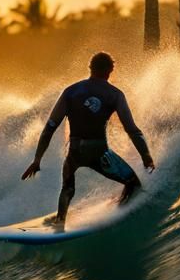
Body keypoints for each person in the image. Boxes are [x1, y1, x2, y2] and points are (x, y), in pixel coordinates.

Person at [22, 51, 155, 228]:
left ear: (90, 68)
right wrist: (146, 157)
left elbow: (49, 129)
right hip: (99, 152)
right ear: (110, 70)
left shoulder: (70, 92)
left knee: (68, 188)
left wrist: (37, 160)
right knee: (133, 184)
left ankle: (60, 219)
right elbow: (132, 130)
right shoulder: (114, 94)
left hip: (75, 152)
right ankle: (120, 210)